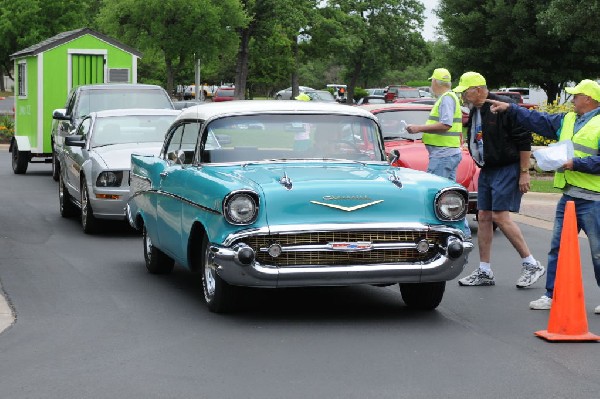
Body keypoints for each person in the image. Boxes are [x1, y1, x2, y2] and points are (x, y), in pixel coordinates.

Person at [488, 79, 600, 313]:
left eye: (575, 95)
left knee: (598, 251)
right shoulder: (569, 119)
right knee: (557, 248)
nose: (572, 99)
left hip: (594, 200)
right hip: (569, 197)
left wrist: (575, 163)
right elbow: (538, 121)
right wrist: (511, 108)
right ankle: (552, 295)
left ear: (588, 99)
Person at [452, 71, 544, 287]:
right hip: (488, 168)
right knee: (483, 216)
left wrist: (524, 171)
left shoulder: (503, 106)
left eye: (465, 92)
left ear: (477, 89)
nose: (463, 96)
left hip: (506, 167)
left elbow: (524, 139)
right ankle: (484, 271)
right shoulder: (476, 110)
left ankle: (531, 264)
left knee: (500, 217)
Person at [406, 68, 471, 238]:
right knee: (449, 197)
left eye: (431, 82)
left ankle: (439, 235)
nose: (431, 85)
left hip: (443, 155)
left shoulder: (446, 99)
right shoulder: (450, 98)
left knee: (434, 195)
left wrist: (418, 128)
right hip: (446, 153)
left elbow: (446, 124)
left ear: (435, 82)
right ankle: (462, 234)